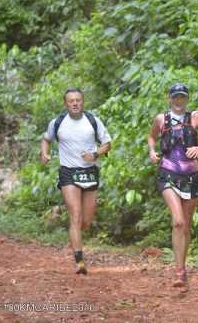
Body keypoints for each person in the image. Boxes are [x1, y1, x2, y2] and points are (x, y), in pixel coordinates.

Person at [147, 83, 198, 288]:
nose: (179, 101)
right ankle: (179, 272)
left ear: (186, 99)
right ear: (169, 98)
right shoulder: (161, 119)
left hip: (191, 175)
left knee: (186, 225)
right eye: (175, 97)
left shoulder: (195, 117)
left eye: (182, 98)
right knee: (178, 221)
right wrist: (152, 151)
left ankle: (182, 266)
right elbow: (152, 137)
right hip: (168, 172)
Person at [40, 88, 112, 274]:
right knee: (76, 214)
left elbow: (107, 144)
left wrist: (95, 154)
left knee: (86, 221)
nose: (75, 103)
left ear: (83, 101)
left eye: (78, 100)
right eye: (71, 100)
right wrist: (45, 153)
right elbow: (46, 139)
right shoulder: (57, 122)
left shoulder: (93, 121)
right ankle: (79, 261)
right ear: (66, 104)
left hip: (89, 172)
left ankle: (75, 234)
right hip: (68, 172)